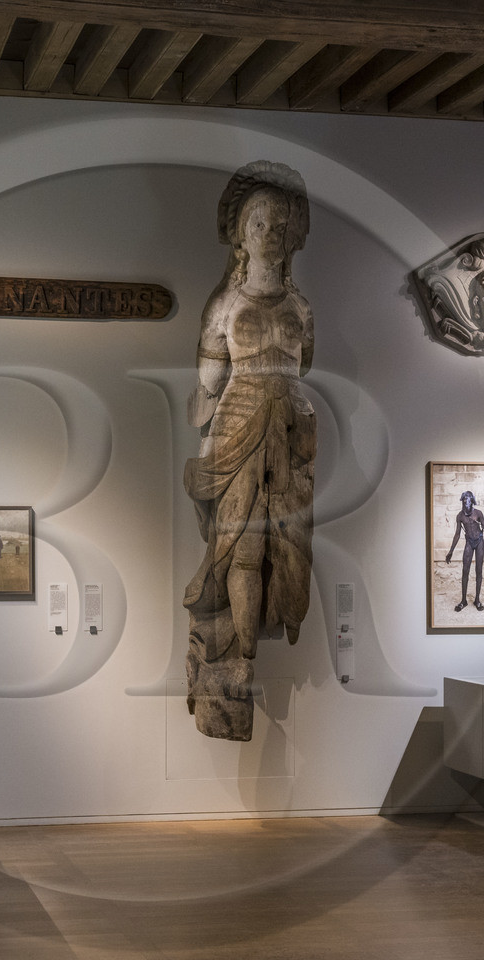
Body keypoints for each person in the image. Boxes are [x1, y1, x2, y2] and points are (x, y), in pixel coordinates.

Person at [183, 161, 316, 742]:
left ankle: (251, 645)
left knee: (283, 543)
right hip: (238, 426)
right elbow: (209, 385)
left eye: (280, 221)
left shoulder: (301, 308)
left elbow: (302, 368)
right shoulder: (224, 306)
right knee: (238, 541)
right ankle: (237, 655)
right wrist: (207, 434)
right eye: (258, 219)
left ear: (292, 235)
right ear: (240, 231)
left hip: (287, 429)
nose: (269, 229)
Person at [445, 490, 484, 611]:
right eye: (463, 502)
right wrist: (450, 551)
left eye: (467, 501)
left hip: (479, 542)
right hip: (469, 542)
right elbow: (457, 534)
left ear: (472, 502)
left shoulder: (478, 513)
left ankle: (477, 600)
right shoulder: (460, 516)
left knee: (479, 571)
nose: (464, 505)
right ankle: (463, 600)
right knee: (465, 571)